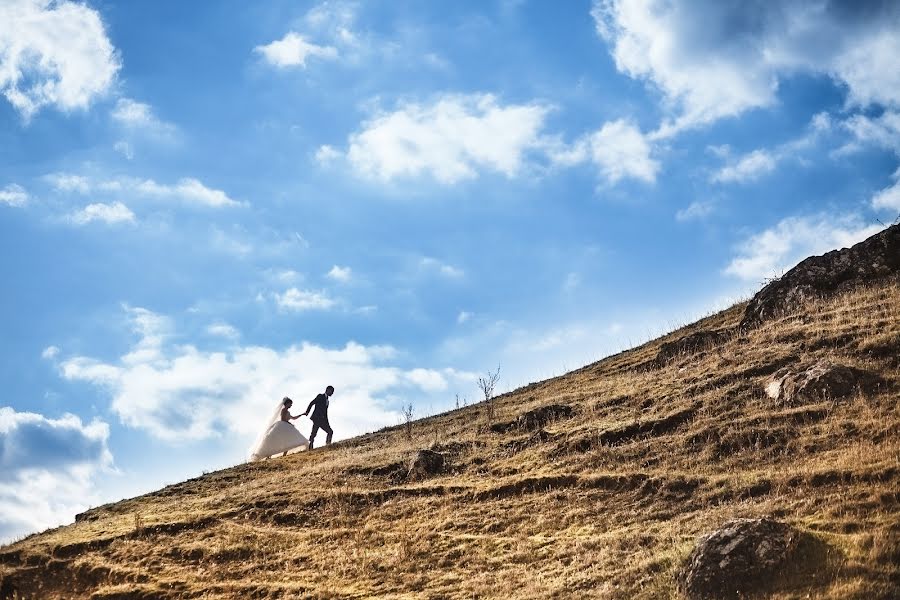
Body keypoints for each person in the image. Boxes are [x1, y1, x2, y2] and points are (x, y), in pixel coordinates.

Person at [248, 397, 309, 461]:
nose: (291, 405)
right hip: (282, 426)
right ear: (287, 403)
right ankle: (269, 455)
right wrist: (289, 423)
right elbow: (283, 419)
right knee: (278, 441)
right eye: (290, 404)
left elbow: (293, 418)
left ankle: (284, 455)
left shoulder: (288, 411)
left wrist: (302, 414)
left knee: (288, 440)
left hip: (286, 426)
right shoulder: (283, 410)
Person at [303, 385, 334, 449]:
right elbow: (312, 403)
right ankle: (310, 446)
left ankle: (328, 444)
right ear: (328, 390)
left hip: (323, 420)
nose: (332, 393)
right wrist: (307, 411)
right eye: (332, 391)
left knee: (329, 431)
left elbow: (325, 413)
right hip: (317, 418)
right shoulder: (320, 396)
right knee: (314, 432)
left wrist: (327, 422)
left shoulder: (327, 401)